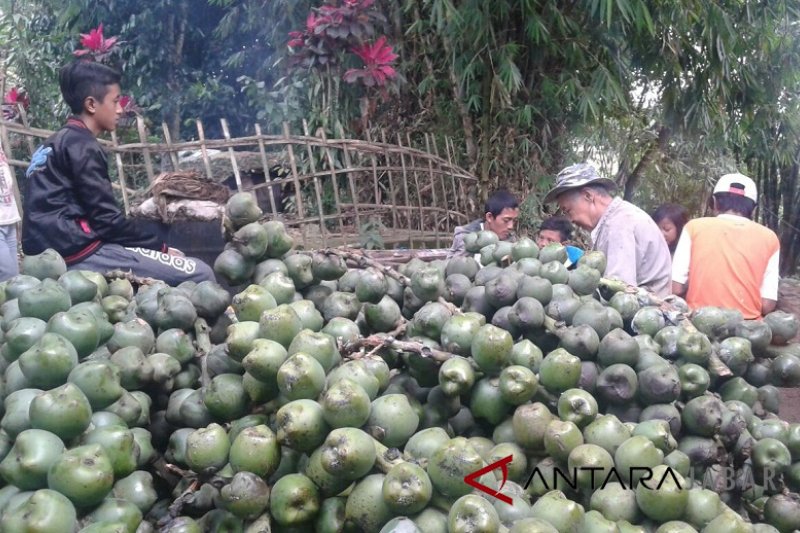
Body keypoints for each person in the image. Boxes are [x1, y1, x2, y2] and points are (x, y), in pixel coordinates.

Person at [22, 60, 215, 286]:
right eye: (115, 101)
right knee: (200, 273)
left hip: (44, 255)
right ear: (91, 104)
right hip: (79, 252)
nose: (121, 109)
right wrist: (159, 247)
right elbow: (107, 222)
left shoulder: (51, 144)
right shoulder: (82, 145)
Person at [542, 163, 672, 296]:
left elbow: (618, 293)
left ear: (588, 196)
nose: (570, 220)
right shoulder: (618, 218)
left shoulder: (618, 225)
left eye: (568, 210)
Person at [671, 173, 779, 319]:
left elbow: (675, 287)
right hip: (747, 329)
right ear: (753, 209)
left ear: (714, 202)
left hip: (699, 324)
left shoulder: (694, 228)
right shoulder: (770, 238)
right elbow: (767, 305)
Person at [449, 189, 519, 257]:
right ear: (489, 217)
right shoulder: (467, 237)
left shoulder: (510, 238)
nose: (511, 226)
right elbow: (458, 265)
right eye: (506, 220)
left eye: (514, 221)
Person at [0, 144, 21, 281]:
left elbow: (6, 183)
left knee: (15, 278)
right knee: (9, 275)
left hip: (9, 218)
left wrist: (16, 219)